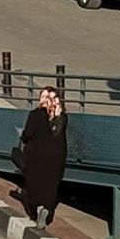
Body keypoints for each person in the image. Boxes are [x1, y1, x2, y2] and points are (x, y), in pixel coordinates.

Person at [17, 86, 68, 228]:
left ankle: (38, 207)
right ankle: (46, 207)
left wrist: (22, 136)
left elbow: (28, 133)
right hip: (57, 157)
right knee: (50, 185)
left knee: (34, 183)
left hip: (36, 156)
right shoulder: (62, 117)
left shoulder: (36, 115)